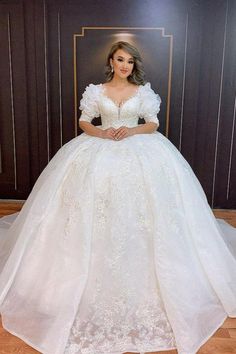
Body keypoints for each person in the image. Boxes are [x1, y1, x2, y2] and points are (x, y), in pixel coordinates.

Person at [0, 40, 236, 354]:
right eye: (119, 59)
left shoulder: (143, 92)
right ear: (111, 61)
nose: (124, 66)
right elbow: (84, 121)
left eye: (129, 61)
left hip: (143, 149)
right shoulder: (96, 92)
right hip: (98, 146)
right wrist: (101, 133)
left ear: (133, 65)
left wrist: (131, 131)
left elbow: (153, 124)